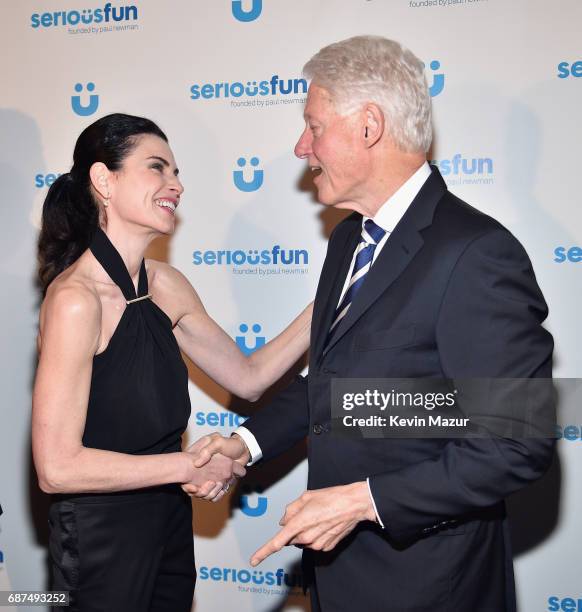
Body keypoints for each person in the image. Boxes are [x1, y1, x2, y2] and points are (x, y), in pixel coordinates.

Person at [191, 36, 555, 611]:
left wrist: (361, 501)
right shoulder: (348, 239)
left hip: (432, 587)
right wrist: (243, 445)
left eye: (314, 126)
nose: (300, 147)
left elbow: (515, 443)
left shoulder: (478, 253)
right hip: (340, 580)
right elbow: (337, 388)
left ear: (368, 126)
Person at [32, 113, 312, 612]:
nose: (176, 185)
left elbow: (248, 378)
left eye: (177, 172)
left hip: (169, 523)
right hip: (99, 538)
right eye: (157, 168)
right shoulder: (76, 300)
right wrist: (187, 465)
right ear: (104, 180)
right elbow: (57, 467)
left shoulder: (167, 285)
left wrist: (331, 299)